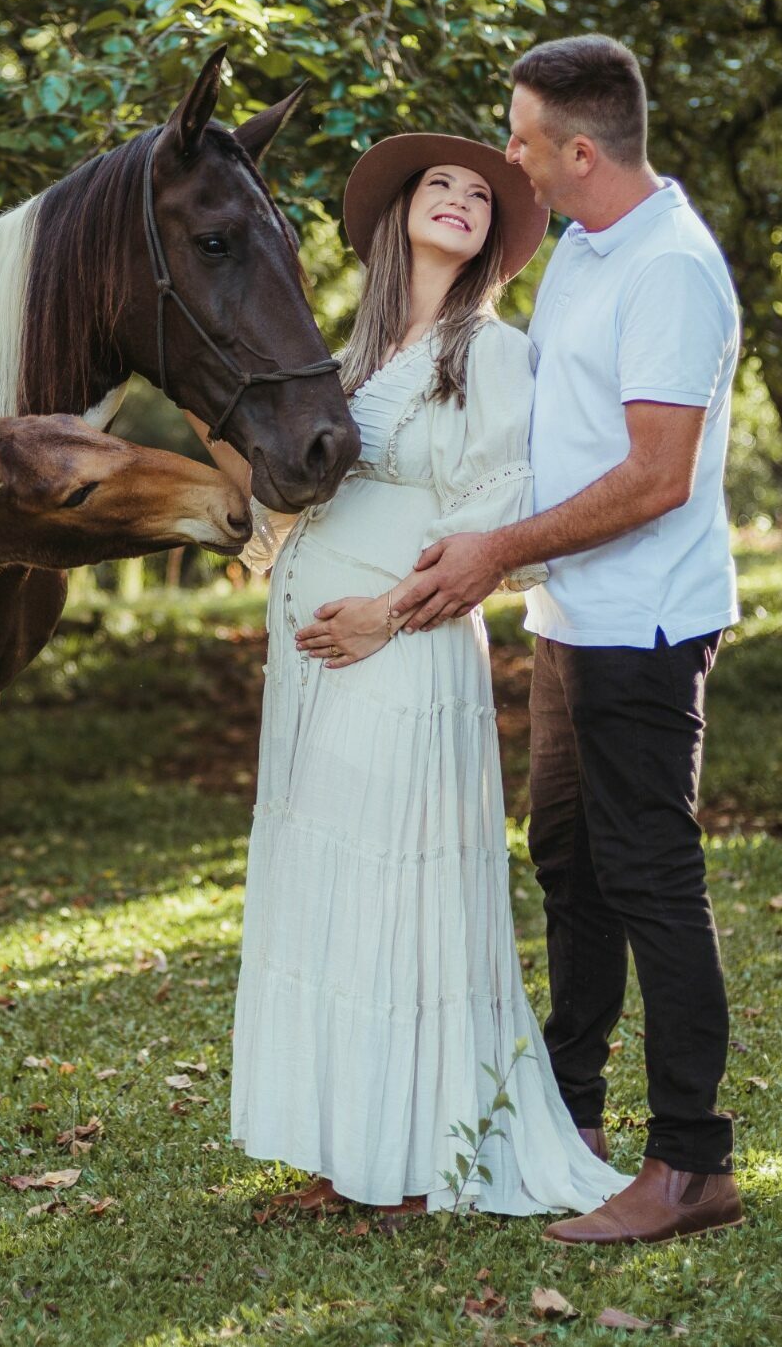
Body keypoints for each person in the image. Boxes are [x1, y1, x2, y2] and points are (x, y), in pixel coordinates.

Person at [220, 130, 632, 1219]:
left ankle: (412, 1162)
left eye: (479, 195)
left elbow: (504, 512)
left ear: (495, 234)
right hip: (313, 661)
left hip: (404, 647)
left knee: (400, 890)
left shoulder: (492, 353)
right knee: (332, 892)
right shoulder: (342, 359)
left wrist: (386, 616)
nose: (459, 199)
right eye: (439, 185)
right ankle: (342, 1150)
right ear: (400, 212)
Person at [393, 35, 745, 1244]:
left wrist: (494, 551)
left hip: (643, 624)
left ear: (578, 151)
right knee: (572, 869)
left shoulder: (672, 271)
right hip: (570, 616)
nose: (506, 154)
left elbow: (655, 477)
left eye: (522, 138)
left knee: (651, 878)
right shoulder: (589, 252)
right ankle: (573, 1118)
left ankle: (692, 1164)